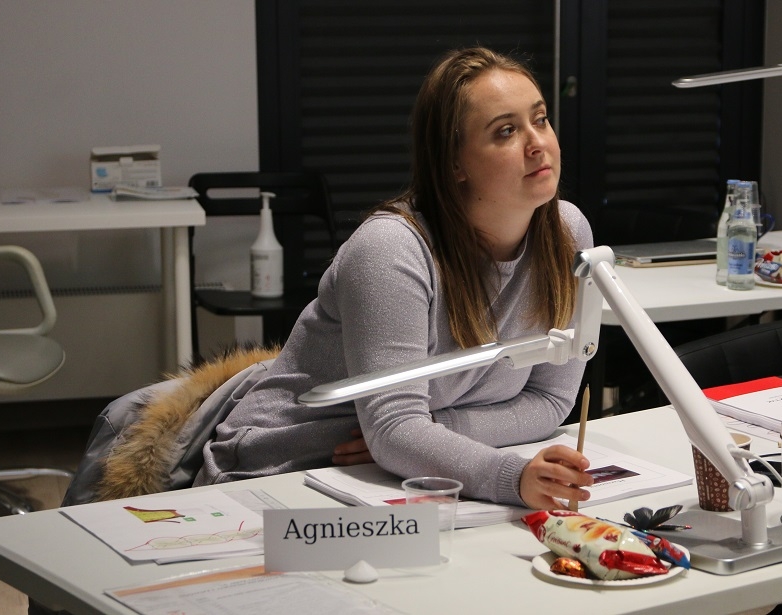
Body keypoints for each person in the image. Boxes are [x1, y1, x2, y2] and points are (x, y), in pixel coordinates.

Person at [194, 47, 595, 510]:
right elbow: (394, 429)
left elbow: (550, 399)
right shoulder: (390, 249)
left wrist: (432, 433)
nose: (537, 142)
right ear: (454, 164)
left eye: (540, 119)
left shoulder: (567, 234)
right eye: (506, 131)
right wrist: (510, 477)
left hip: (401, 470)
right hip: (280, 471)